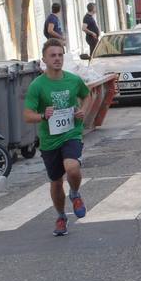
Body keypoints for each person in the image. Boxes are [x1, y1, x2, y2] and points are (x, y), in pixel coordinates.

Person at [22, 39, 89, 235]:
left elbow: (87, 95)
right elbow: (27, 115)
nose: (57, 59)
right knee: (56, 182)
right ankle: (61, 217)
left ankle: (75, 193)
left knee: (72, 167)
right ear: (44, 59)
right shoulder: (37, 85)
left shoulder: (73, 80)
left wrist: (83, 111)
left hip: (71, 133)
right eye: (53, 55)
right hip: (49, 140)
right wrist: (43, 115)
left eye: (60, 55)